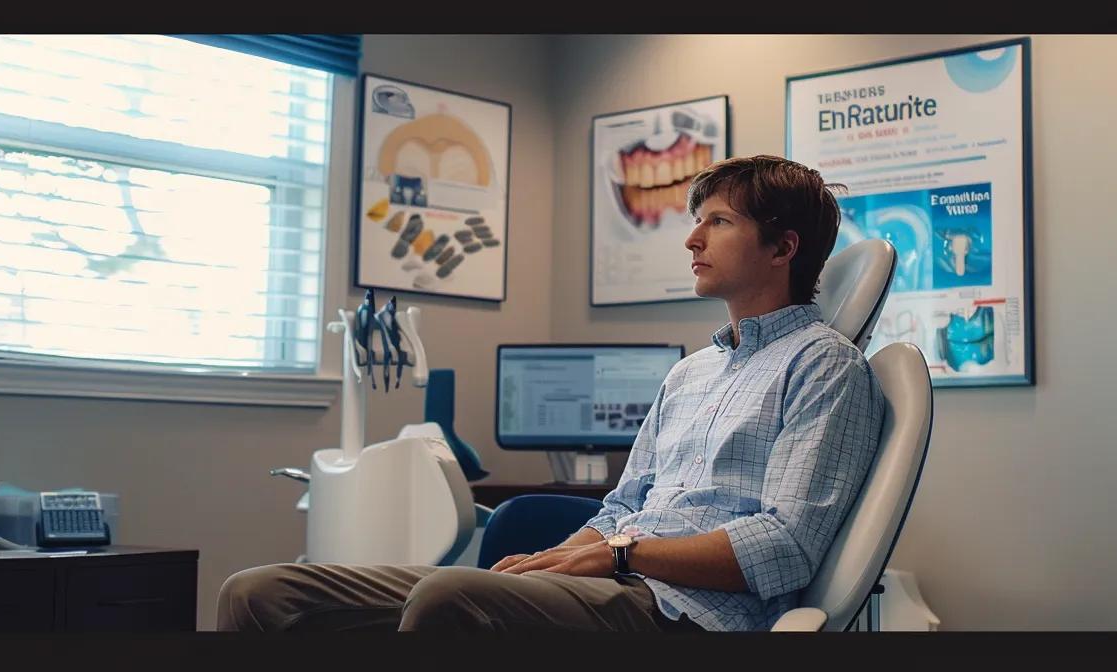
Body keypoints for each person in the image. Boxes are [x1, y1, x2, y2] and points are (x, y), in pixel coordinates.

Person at [217, 155, 884, 632]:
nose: (692, 238)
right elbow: (624, 504)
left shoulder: (826, 366)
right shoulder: (692, 373)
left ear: (782, 247)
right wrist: (564, 555)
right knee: (262, 593)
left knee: (454, 599)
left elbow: (784, 546)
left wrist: (618, 553)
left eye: (718, 222)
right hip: (614, 578)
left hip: (683, 611)